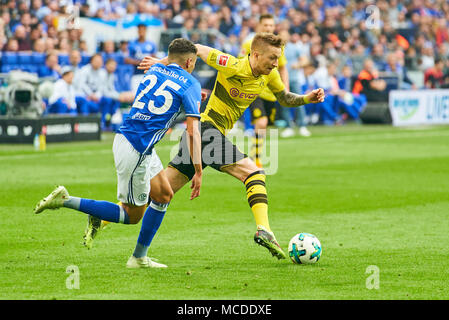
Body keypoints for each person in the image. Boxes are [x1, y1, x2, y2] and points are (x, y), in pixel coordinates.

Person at [134, 33, 325, 260]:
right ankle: (264, 230)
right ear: (256, 54)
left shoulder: (270, 75)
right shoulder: (232, 65)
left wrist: (306, 98)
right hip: (207, 130)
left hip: (204, 135)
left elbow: (283, 97)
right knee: (254, 173)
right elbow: (197, 48)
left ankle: (105, 216)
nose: (276, 63)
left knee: (159, 192)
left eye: (278, 58)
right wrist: (164, 63)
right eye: (272, 58)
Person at [33, 38, 203, 269]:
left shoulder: (156, 68)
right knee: (131, 216)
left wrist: (191, 96)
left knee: (163, 195)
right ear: (190, 61)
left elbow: (169, 80)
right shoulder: (190, 82)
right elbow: (192, 131)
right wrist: (198, 170)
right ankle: (65, 200)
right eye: (193, 63)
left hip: (132, 140)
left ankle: (139, 257)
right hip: (137, 148)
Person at [239, 14, 290, 168]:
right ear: (259, 26)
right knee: (262, 121)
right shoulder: (249, 44)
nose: (268, 28)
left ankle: (255, 154)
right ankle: (255, 159)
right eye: (265, 25)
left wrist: (285, 88)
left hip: (271, 93)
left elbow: (282, 68)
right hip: (255, 90)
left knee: (265, 125)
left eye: (271, 25)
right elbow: (239, 64)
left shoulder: (278, 47)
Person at [279, 31, 311, 138]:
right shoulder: (277, 49)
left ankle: (302, 126)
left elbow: (305, 60)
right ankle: (288, 127)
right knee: (284, 103)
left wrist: (297, 65)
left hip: (293, 79)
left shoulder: (294, 47)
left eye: (285, 36)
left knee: (299, 102)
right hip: (281, 80)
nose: (283, 38)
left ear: (288, 37)